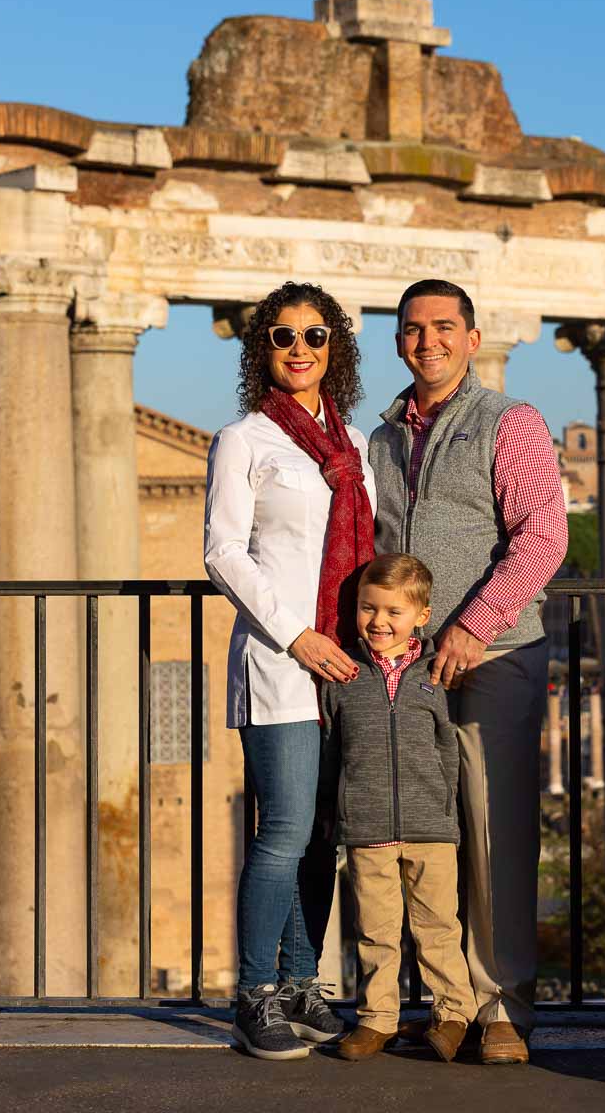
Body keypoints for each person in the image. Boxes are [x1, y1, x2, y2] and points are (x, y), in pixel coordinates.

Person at [369, 278, 568, 1064]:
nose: (429, 341)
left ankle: (504, 1009)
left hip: (498, 656)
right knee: (419, 840)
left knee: (496, 834)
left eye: (444, 327)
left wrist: (472, 627)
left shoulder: (508, 422)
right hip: (405, 668)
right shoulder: (382, 439)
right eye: (414, 328)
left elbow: (543, 538)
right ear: (399, 342)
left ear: (473, 339)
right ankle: (447, 1001)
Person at [204, 281, 376, 1061]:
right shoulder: (243, 439)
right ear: (261, 349)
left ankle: (306, 986)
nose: (299, 349)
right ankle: (253, 993)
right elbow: (222, 552)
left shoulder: (355, 444)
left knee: (324, 837)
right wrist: (295, 633)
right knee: (283, 831)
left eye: (314, 335)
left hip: (351, 660)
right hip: (282, 658)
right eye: (282, 337)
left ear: (334, 347)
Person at [320, 553, 477, 1064]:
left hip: (431, 826)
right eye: (369, 609)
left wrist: (444, 809)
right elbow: (331, 750)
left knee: (437, 928)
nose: (379, 622)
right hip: (366, 828)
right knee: (375, 930)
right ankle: (376, 1019)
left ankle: (454, 1014)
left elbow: (446, 751)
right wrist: (336, 812)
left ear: (421, 616)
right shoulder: (343, 677)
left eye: (393, 612)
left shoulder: (434, 677)